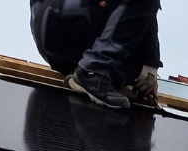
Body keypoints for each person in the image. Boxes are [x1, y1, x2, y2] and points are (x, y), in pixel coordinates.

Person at [30, 0, 161, 110]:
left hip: (53, 35)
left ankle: (90, 73)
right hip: (63, 18)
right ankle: (93, 70)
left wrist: (143, 67)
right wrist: (150, 60)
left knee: (131, 59)